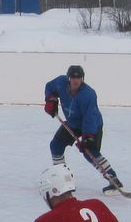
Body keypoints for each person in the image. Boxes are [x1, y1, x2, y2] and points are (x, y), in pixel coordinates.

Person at [43, 65, 126, 196]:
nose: (76, 81)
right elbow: (49, 87)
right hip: (73, 123)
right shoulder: (60, 82)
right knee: (56, 146)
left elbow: (90, 117)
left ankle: (113, 179)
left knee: (90, 152)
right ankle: (62, 178)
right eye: (73, 78)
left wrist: (88, 137)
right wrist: (51, 99)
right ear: (68, 78)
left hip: (92, 125)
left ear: (82, 79)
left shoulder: (88, 95)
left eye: (79, 78)